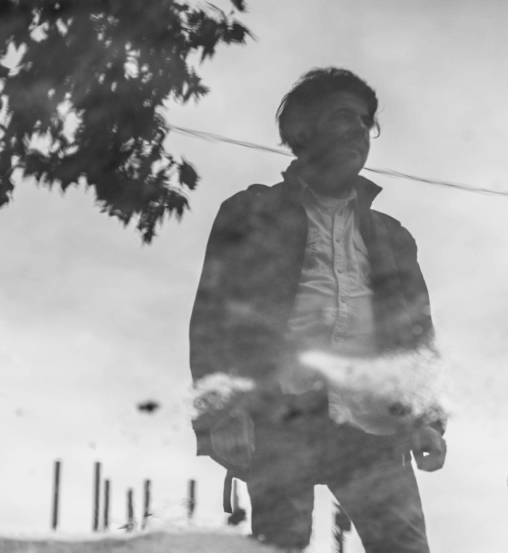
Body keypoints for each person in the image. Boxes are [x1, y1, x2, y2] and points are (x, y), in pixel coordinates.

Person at [189, 67, 447, 553]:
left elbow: (417, 335)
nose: (359, 129)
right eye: (343, 116)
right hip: (281, 419)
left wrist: (427, 417)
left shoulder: (393, 237)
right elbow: (212, 317)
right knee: (281, 546)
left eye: (365, 121)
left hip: (376, 429)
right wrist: (221, 411)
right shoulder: (251, 212)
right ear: (302, 131)